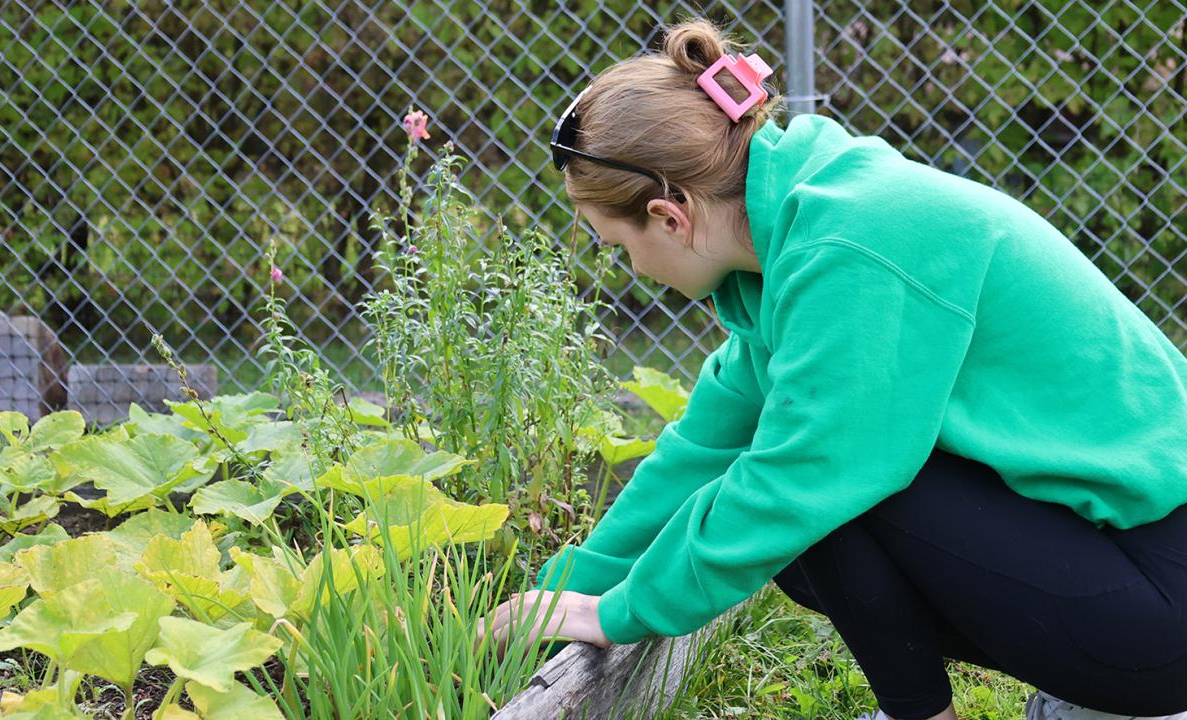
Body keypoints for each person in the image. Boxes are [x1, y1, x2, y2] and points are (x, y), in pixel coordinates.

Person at [472, 16, 1187, 720]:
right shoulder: (798, 230)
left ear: (671, 215)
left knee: (816, 489)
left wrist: (621, 614)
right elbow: (700, 449)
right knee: (783, 486)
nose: (626, 265)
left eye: (612, 242)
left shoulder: (851, 247)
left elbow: (806, 475)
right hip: (1123, 556)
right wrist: (565, 591)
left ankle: (1049, 699)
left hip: (1164, 599)